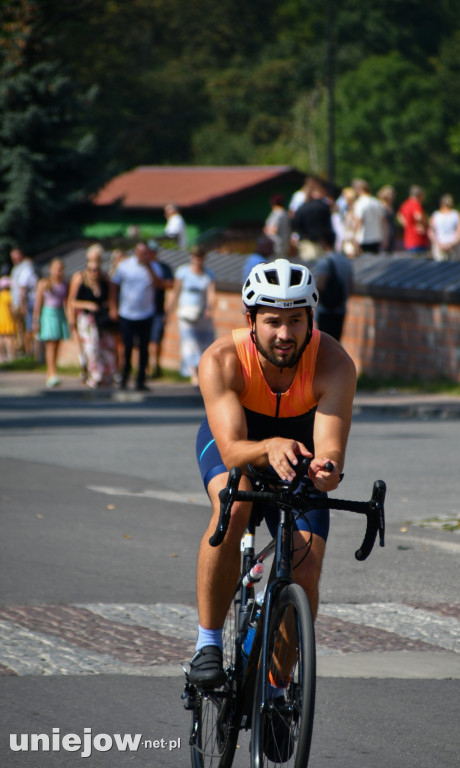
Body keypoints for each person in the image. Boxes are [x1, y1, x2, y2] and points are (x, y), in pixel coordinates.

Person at [189, 258, 356, 691]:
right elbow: (231, 449)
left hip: (299, 452)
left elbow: (332, 447)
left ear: (310, 319)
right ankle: (207, 643)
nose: (285, 334)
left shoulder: (334, 362)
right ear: (250, 320)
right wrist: (266, 446)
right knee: (235, 499)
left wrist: (327, 470)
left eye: (296, 320)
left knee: (305, 567)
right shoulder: (222, 359)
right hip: (238, 444)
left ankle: (278, 688)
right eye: (272, 321)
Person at [109, 242, 164, 392]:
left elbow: (159, 284)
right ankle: (125, 377)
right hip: (127, 314)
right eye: (141, 253)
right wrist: (113, 307)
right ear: (135, 252)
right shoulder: (124, 265)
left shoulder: (154, 267)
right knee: (127, 347)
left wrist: (148, 267)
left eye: (146, 253)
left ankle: (140, 380)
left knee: (144, 347)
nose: (143, 256)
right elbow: (114, 286)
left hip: (146, 314)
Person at [68, 244, 118, 388]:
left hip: (101, 319)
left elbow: (111, 297)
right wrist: (84, 308)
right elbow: (72, 301)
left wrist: (111, 310)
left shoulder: (104, 279)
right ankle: (93, 376)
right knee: (91, 349)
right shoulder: (80, 277)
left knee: (106, 348)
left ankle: (107, 375)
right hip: (86, 319)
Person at [168, 245, 216, 387]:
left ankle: (203, 373)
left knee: (204, 343)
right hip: (185, 313)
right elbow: (176, 292)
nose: (197, 260)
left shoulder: (208, 275)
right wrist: (170, 310)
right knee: (189, 343)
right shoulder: (183, 272)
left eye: (200, 257)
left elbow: (211, 293)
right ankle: (193, 375)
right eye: (195, 256)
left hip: (201, 314)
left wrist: (209, 308)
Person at [32, 259, 70, 388]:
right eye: (56, 269)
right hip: (48, 315)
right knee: (51, 345)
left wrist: (69, 319)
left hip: (59, 314)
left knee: (57, 344)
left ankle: (52, 371)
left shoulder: (64, 284)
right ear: (51, 269)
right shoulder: (45, 283)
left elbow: (66, 303)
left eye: (60, 269)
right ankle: (51, 372)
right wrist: (36, 320)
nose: (58, 272)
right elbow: (38, 303)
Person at [314, 231, 354, 340]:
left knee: (323, 344)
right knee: (335, 343)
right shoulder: (346, 261)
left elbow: (321, 285)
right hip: (340, 309)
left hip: (326, 310)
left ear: (323, 242)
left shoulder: (324, 262)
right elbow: (351, 287)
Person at [147, 240, 174, 379]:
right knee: (143, 342)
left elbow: (170, 284)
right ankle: (146, 367)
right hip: (143, 309)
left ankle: (155, 366)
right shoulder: (140, 266)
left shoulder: (163, 267)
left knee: (156, 340)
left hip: (158, 309)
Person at [292, 183, 334, 262]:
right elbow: (328, 226)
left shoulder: (301, 208)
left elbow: (296, 224)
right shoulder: (323, 206)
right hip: (321, 242)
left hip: (306, 241)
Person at [9, 248, 38, 356]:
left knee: (26, 327)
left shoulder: (25, 267)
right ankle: (24, 350)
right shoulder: (16, 269)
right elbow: (18, 288)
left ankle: (27, 350)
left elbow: (22, 288)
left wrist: (22, 304)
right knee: (21, 328)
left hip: (23, 303)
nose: (14, 258)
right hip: (18, 302)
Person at [428, 195, 460, 262]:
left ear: (441, 204)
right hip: (454, 246)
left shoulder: (435, 216)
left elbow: (431, 231)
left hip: (441, 245)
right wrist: (451, 244)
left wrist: (439, 244)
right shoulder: (457, 215)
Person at [352, 179, 386, 254]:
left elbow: (358, 221)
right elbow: (383, 221)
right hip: (377, 237)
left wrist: (355, 237)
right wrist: (384, 237)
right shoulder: (376, 202)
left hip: (364, 238)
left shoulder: (360, 203)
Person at [397, 185, 430, 254]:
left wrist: (406, 224)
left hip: (409, 240)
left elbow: (399, 215)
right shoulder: (416, 204)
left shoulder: (405, 204)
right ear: (420, 195)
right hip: (418, 240)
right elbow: (418, 216)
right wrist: (424, 223)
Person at [264, 194, 291, 258]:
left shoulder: (277, 213)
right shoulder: (285, 213)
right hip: (284, 244)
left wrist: (266, 230)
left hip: (275, 246)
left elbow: (273, 229)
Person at [0, 269, 16, 362]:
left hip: (0, 318)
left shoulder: (0, 295)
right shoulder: (8, 296)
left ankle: (1, 356)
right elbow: (10, 309)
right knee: (9, 338)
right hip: (7, 318)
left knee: (1, 338)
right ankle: (11, 356)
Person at [377, 185, 396, 254]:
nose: (390, 196)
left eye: (391, 194)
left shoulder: (390, 206)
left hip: (391, 232)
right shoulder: (381, 205)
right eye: (388, 194)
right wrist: (385, 237)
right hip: (384, 232)